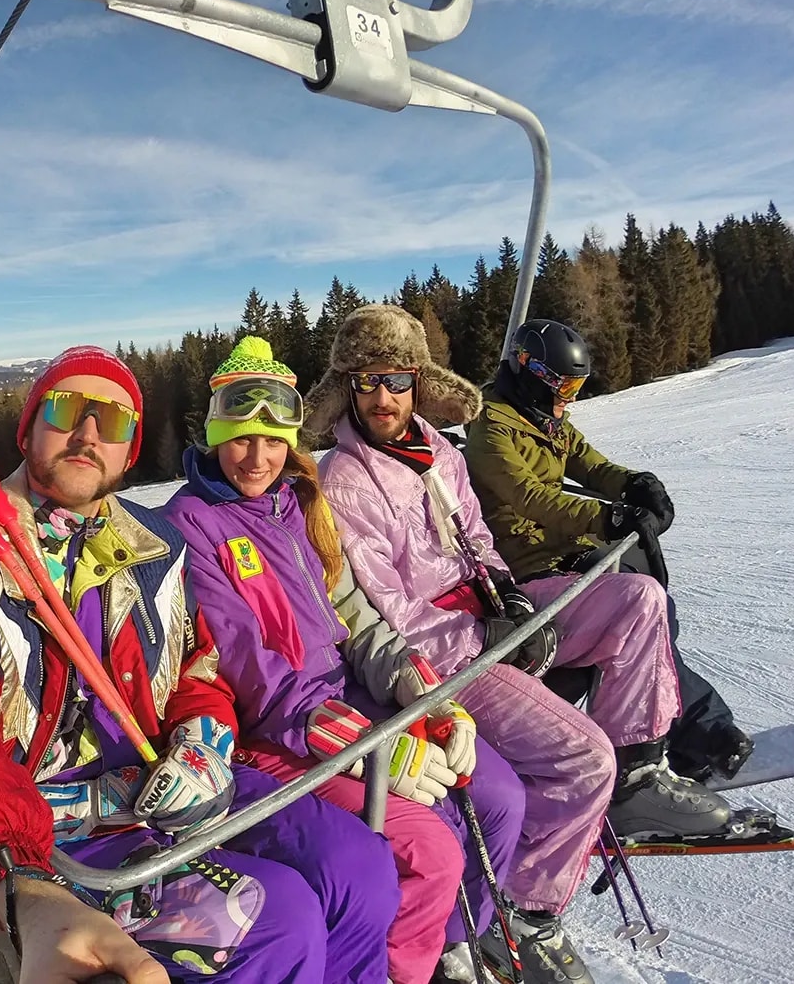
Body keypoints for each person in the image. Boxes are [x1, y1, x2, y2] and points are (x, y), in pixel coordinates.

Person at [0, 345, 400, 984]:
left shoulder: (153, 545)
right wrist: (22, 881)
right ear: (27, 427)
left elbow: (197, 669)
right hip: (57, 829)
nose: (89, 433)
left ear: (130, 449)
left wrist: (203, 739)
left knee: (360, 867)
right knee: (277, 921)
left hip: (167, 779)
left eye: (112, 422)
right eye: (68, 411)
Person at [303, 305, 735, 984]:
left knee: (637, 600)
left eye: (393, 378)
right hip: (442, 657)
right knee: (580, 756)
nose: (381, 396)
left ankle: (639, 772)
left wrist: (505, 594)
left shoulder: (438, 449)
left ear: (417, 381)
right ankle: (523, 912)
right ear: (347, 389)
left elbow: (477, 538)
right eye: (364, 381)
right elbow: (393, 609)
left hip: (486, 613)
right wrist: (488, 635)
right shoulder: (345, 482)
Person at [164, 338, 527, 984]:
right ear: (216, 433)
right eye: (241, 437)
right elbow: (248, 662)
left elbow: (352, 614)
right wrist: (362, 745)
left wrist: (419, 686)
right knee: (431, 846)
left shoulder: (296, 503)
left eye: (273, 438)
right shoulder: (194, 522)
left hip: (350, 696)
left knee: (493, 795)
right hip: (278, 729)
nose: (257, 456)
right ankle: (399, 969)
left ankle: (448, 942)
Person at [462, 319, 752, 783]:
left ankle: (689, 729)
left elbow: (594, 466)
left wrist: (636, 484)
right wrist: (608, 518)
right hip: (527, 567)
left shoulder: (546, 419)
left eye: (576, 384)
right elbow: (531, 497)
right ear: (525, 366)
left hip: (567, 553)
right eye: (562, 383)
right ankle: (691, 734)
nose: (569, 395)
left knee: (656, 611)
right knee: (643, 613)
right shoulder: (491, 429)